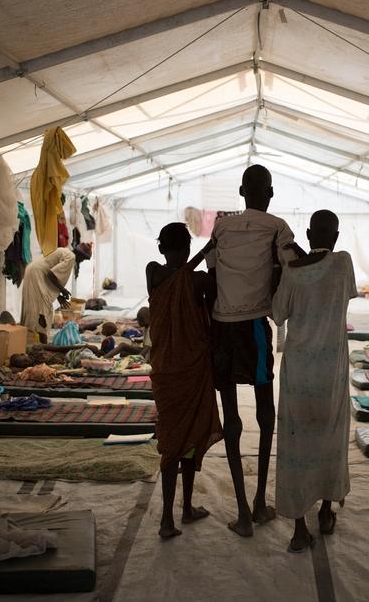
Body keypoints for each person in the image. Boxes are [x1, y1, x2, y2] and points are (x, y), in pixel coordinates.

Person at [206, 164, 305, 536]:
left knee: (232, 419)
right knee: (266, 414)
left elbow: (212, 274)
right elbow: (294, 263)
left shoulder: (222, 226)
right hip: (253, 329)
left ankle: (243, 513)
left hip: (221, 327)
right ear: (270, 193)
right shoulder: (278, 227)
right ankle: (260, 502)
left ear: (241, 191)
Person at [272, 210, 358, 552]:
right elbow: (339, 283)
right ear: (336, 237)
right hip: (331, 373)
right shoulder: (343, 264)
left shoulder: (292, 273)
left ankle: (298, 528)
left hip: (298, 372)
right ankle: (324, 512)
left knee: (295, 446)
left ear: (307, 234)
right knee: (330, 439)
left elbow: (277, 314)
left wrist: (285, 267)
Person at [146, 223, 223, 539]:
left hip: (166, 371)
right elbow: (212, 293)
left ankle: (173, 515)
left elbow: (180, 278)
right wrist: (210, 253)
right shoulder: (194, 279)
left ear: (162, 249)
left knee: (174, 441)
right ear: (188, 250)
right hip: (191, 371)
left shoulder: (155, 273)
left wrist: (204, 254)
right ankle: (179, 511)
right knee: (187, 439)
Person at [20, 247, 75, 343]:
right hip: (37, 275)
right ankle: (42, 345)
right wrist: (62, 290)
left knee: (34, 310)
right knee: (43, 312)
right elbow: (51, 274)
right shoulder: (71, 257)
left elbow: (49, 273)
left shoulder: (65, 251)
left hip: (33, 272)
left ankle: (29, 341)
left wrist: (58, 295)